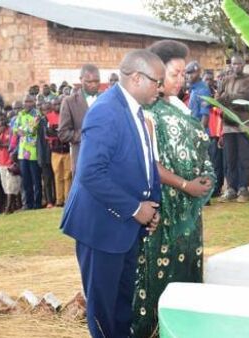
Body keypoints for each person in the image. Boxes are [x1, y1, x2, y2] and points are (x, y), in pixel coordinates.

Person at [60, 50, 164, 338]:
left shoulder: (135, 110)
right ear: (137, 78)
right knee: (104, 311)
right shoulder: (107, 110)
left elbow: (145, 164)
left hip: (125, 226)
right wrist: (135, 208)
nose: (161, 87)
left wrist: (152, 208)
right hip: (101, 227)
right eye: (158, 81)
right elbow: (90, 172)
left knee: (121, 306)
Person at [131, 40, 214, 338]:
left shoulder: (178, 105)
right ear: (155, 73)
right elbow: (150, 164)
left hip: (188, 211)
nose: (181, 80)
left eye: (184, 74)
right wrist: (185, 184)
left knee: (187, 268)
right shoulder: (147, 112)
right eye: (175, 73)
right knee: (159, 275)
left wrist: (203, 180)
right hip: (163, 209)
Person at [217, 55, 249, 203]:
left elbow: (244, 98)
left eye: (239, 63)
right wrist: (227, 97)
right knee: (229, 159)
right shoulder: (227, 80)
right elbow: (218, 97)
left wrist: (226, 97)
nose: (236, 66)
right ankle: (231, 188)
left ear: (243, 64)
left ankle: (243, 188)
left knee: (244, 158)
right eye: (233, 64)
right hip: (228, 124)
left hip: (244, 124)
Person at [59, 64, 101, 173]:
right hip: (82, 163)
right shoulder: (69, 102)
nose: (93, 85)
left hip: (106, 162)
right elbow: (63, 133)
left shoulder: (107, 99)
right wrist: (86, 135)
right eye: (89, 82)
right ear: (81, 80)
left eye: (96, 81)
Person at [14, 95, 42, 210]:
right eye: (25, 101)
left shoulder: (37, 114)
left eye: (29, 101)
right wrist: (19, 130)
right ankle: (28, 204)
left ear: (34, 102)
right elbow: (15, 129)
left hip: (33, 152)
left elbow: (32, 130)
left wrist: (22, 130)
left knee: (36, 180)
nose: (26, 103)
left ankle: (37, 204)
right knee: (26, 180)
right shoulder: (20, 115)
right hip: (22, 153)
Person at [46, 97, 71, 207]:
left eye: (59, 103)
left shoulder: (67, 115)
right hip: (55, 151)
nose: (57, 105)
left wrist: (58, 133)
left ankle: (68, 199)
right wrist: (60, 134)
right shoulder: (48, 117)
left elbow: (69, 131)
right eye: (55, 104)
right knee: (58, 176)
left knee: (68, 176)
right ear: (51, 106)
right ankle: (59, 200)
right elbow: (47, 134)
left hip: (67, 151)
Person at [204, 71, 225, 197]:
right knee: (209, 163)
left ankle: (216, 188)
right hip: (207, 133)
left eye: (211, 79)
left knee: (217, 164)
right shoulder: (203, 95)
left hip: (216, 134)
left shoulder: (218, 96)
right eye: (206, 79)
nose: (208, 82)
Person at [0, 114, 21, 214]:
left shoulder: (11, 129)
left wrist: (3, 145)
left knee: (11, 185)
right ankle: (12, 207)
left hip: (11, 161)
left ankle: (8, 208)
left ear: (6, 119)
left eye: (3, 119)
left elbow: (12, 144)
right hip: (1, 162)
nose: (1, 121)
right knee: (5, 186)